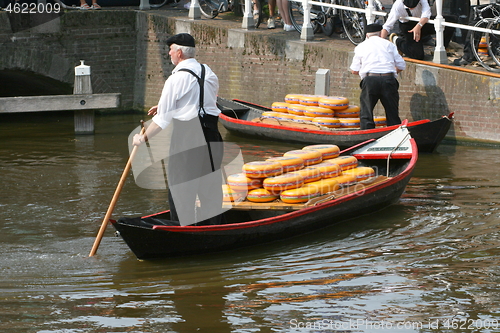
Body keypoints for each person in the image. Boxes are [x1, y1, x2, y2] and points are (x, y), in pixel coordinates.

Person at [133, 33, 224, 226]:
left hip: (188, 138)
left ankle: (184, 231)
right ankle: (214, 229)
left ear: (180, 53)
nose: (169, 54)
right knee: (210, 189)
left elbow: (162, 121)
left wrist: (142, 138)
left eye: (171, 50)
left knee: (181, 190)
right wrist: (171, 106)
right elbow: (205, 101)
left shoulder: (175, 80)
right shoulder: (209, 73)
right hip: (212, 136)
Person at [350, 23, 406, 130]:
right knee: (392, 113)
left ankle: (367, 135)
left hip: (370, 80)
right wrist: (392, 72)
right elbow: (401, 65)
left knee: (366, 112)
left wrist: (365, 72)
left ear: (366, 35)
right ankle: (394, 133)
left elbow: (354, 70)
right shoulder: (389, 45)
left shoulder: (361, 46)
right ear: (380, 33)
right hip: (388, 79)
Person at [381, 0, 455, 60]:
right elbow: (387, 26)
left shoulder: (422, 1)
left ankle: (441, 48)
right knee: (417, 55)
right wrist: (379, 43)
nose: (411, 9)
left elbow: (426, 14)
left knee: (450, 22)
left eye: (414, 7)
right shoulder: (397, 5)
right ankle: (397, 41)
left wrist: (418, 26)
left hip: (423, 22)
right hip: (408, 26)